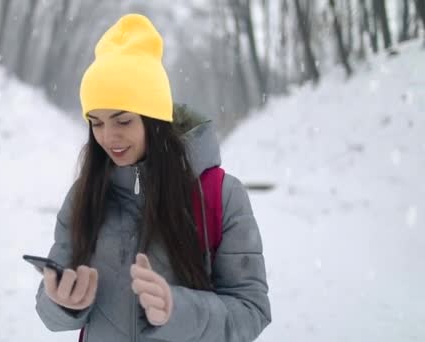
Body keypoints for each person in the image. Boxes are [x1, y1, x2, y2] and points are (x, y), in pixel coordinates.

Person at [34, 13, 271, 342]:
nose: (109, 137)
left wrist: (178, 310)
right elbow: (49, 308)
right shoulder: (85, 195)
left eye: (123, 120)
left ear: (154, 119)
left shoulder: (221, 195)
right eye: (96, 122)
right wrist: (63, 303)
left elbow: (251, 311)